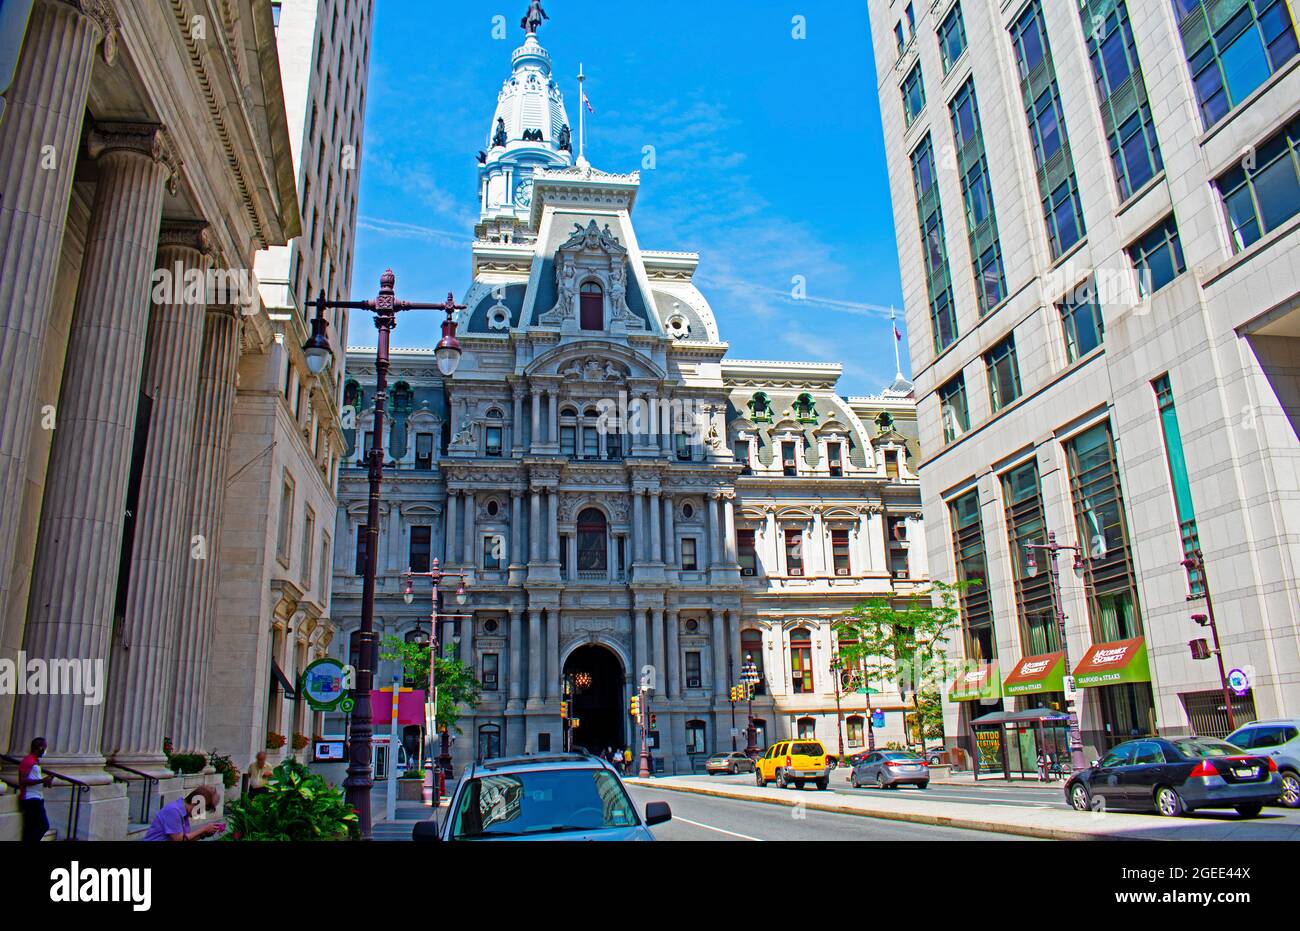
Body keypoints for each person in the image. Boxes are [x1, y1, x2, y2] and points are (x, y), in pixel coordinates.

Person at [144, 785, 223, 841]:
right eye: (200, 810)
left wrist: (204, 834)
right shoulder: (174, 811)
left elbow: (186, 838)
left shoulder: (182, 813)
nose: (200, 814)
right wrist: (204, 829)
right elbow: (179, 839)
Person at [18, 737, 54, 842]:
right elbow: (23, 780)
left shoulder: (35, 762)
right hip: (30, 799)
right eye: (45, 748)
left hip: (37, 798)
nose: (45, 751)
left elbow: (34, 780)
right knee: (43, 825)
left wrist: (46, 782)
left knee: (31, 828)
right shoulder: (28, 761)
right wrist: (42, 781)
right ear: (40, 748)